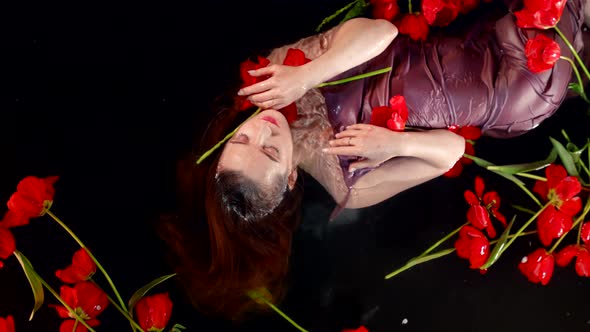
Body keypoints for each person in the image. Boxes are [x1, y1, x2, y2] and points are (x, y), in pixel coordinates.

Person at [158, 0, 588, 322]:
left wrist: (307, 75)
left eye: (244, 138)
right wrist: (392, 146)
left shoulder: (276, 76)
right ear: (289, 177)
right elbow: (452, 152)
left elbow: (380, 32)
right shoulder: (349, 185)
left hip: (483, 38)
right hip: (514, 92)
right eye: (269, 151)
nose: (265, 127)